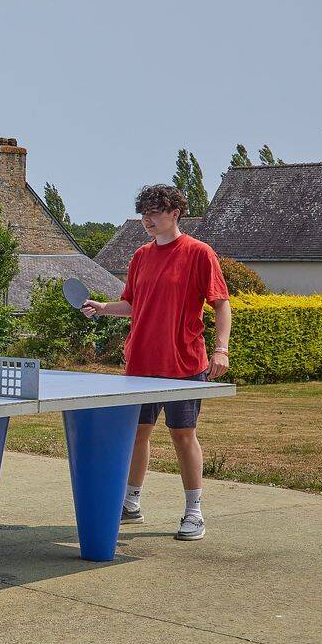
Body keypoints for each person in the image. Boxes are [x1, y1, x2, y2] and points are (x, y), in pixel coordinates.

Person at [82, 184, 231, 542]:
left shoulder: (199, 253)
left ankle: (193, 513)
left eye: (154, 213)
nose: (147, 220)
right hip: (141, 364)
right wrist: (103, 308)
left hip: (184, 363)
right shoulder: (140, 256)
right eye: (144, 214)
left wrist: (221, 349)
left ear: (174, 214)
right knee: (136, 434)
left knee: (183, 435)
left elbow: (221, 304)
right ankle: (131, 503)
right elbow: (133, 304)